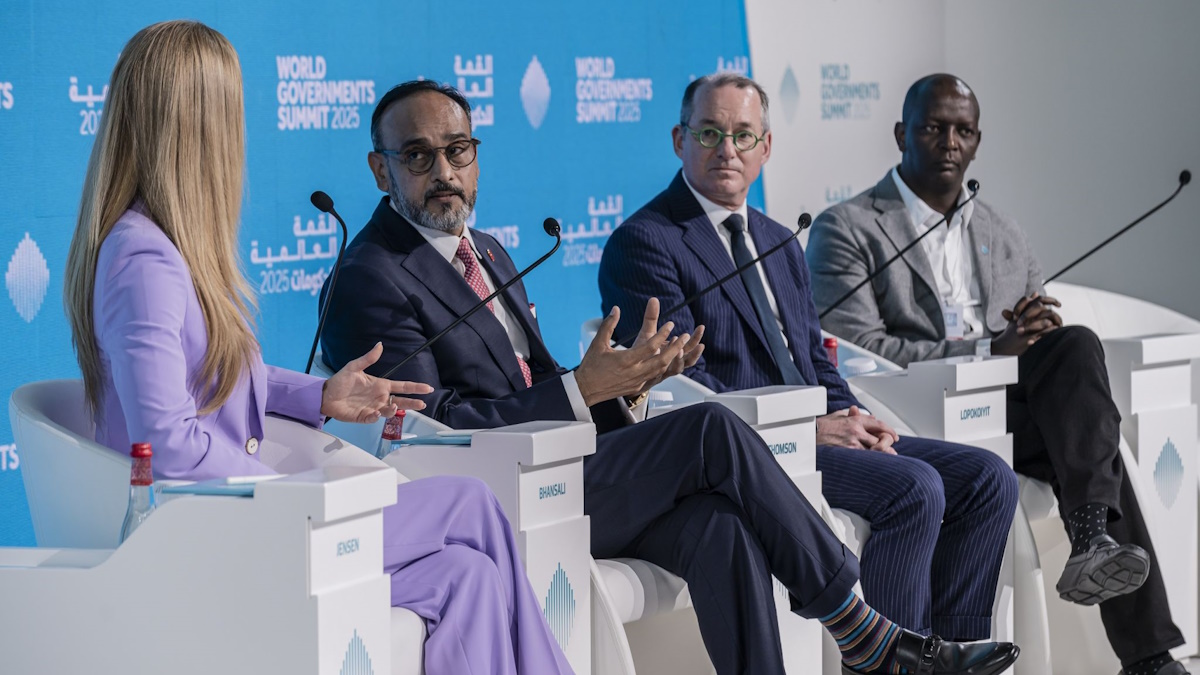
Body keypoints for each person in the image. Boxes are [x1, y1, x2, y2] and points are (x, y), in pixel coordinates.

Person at [318, 78, 1020, 675]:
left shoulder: (490, 251)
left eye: (458, 150)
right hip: (500, 497)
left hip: (566, 467)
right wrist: (581, 390)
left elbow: (537, 381)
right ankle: (859, 627)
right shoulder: (369, 277)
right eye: (418, 155)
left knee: (721, 527)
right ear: (381, 170)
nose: (444, 170)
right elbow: (428, 429)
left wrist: (624, 384)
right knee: (711, 428)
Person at [62, 21, 573, 675]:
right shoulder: (145, 260)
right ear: (196, 126)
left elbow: (215, 370)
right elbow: (164, 440)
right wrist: (289, 492)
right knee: (471, 503)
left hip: (239, 522)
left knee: (467, 575)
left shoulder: (162, 246)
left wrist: (320, 395)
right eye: (230, 112)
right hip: (214, 533)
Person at [598, 72, 1018, 645]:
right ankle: (900, 658)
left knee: (988, 479)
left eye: (744, 135)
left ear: (766, 146)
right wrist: (810, 430)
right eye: (709, 133)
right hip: (754, 452)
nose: (727, 150)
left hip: (821, 433)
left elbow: (815, 359)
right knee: (914, 488)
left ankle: (954, 649)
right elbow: (680, 385)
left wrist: (854, 418)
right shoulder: (647, 240)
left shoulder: (778, 239)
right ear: (680, 139)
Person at [805, 73, 1185, 675]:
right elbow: (855, 348)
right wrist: (988, 348)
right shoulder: (847, 227)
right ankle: (1147, 652)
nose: (949, 143)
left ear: (978, 141)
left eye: (963, 131)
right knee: (1093, 448)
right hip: (921, 411)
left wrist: (1034, 330)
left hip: (1003, 409)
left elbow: (1034, 337)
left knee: (1075, 352)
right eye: (933, 128)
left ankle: (1095, 544)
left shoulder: (1001, 231)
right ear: (902, 134)